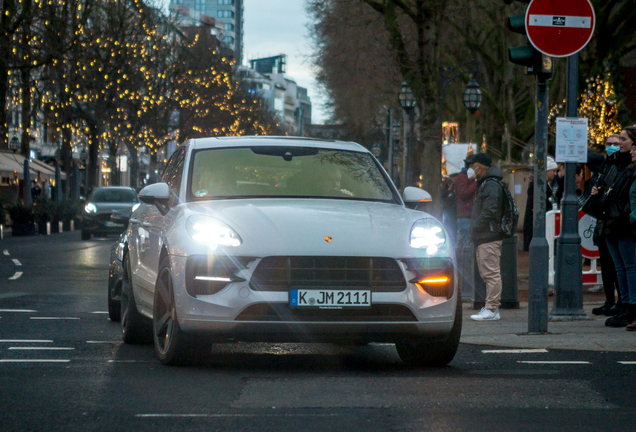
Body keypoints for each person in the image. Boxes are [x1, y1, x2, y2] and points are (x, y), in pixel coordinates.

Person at [592, 126, 636, 327]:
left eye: (622, 140)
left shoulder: (628, 166)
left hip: (621, 220)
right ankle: (624, 303)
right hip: (610, 218)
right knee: (620, 267)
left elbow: (629, 195)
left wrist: (626, 212)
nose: (618, 144)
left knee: (628, 266)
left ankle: (629, 305)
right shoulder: (614, 164)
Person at [466, 153, 505, 321]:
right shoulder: (486, 184)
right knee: (488, 273)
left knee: (491, 273)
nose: (469, 169)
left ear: (479, 167)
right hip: (485, 235)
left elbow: (490, 210)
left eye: (471, 165)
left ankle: (492, 309)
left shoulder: (490, 185)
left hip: (488, 235)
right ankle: (490, 308)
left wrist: (475, 227)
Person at [454, 161, 477, 247]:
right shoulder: (462, 178)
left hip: (469, 215)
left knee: (468, 243)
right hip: (465, 216)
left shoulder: (467, 178)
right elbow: (463, 193)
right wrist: (475, 183)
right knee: (466, 245)